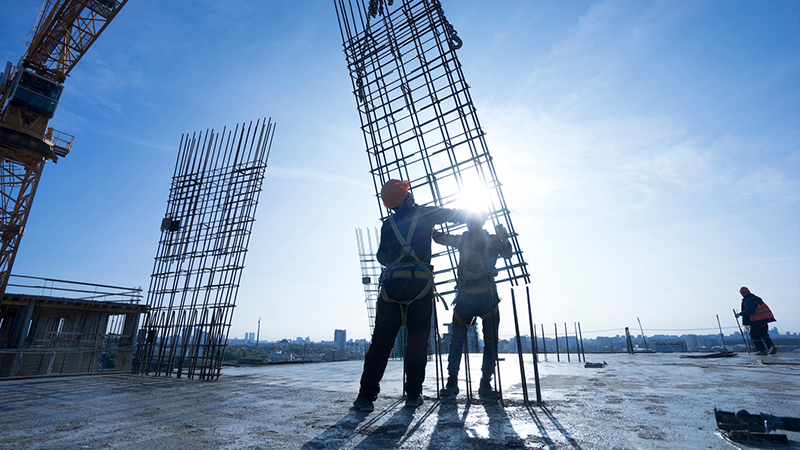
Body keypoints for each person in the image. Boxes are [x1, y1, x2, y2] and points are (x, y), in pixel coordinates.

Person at [353, 180, 470, 412]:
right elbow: (453, 214)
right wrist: (474, 216)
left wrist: (398, 257)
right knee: (417, 341)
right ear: (407, 198)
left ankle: (365, 397)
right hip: (420, 287)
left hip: (392, 289)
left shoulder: (388, 225)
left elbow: (381, 257)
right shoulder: (424, 214)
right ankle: (413, 395)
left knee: (381, 343)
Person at [433, 214, 512, 399]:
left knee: (457, 342)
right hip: (481, 298)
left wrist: (429, 224)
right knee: (487, 342)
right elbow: (508, 253)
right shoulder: (491, 240)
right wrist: (504, 238)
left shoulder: (467, 239)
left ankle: (456, 383)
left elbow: (439, 238)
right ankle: (483, 385)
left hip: (473, 297)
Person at [735, 286, 777, 355]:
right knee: (764, 335)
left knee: (755, 336)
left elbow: (751, 310)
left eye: (743, 293)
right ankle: (771, 346)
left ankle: (761, 350)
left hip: (755, 321)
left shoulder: (748, 300)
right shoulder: (756, 299)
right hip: (763, 320)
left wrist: (740, 314)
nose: (742, 294)